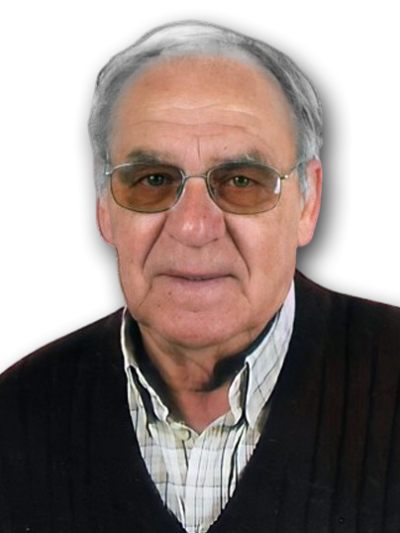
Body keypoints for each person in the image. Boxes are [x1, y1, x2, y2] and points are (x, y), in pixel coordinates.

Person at [1, 19, 399, 533]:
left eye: (241, 181)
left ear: (309, 201)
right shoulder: (12, 415)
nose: (193, 227)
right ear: (101, 205)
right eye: (152, 180)